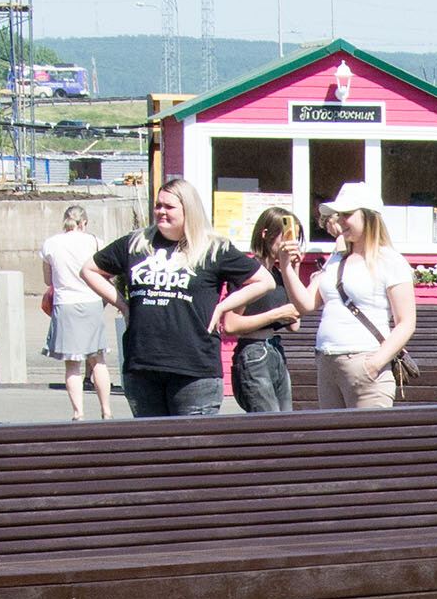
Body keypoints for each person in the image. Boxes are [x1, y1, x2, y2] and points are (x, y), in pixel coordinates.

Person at [80, 177, 272, 418]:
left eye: (169, 207)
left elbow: (264, 281)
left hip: (195, 369)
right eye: (158, 205)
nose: (161, 211)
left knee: (192, 451)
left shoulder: (212, 248)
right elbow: (89, 269)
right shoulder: (137, 243)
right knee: (153, 450)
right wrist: (123, 305)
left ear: (188, 209)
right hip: (143, 366)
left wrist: (223, 306)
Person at [281, 182, 412, 410]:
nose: (339, 221)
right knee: (335, 443)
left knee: (367, 442)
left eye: (347, 215)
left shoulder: (390, 260)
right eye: (338, 215)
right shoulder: (337, 258)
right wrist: (286, 268)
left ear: (369, 216)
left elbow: (406, 322)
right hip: (328, 361)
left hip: (364, 361)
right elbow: (304, 305)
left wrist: (374, 364)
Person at [214, 206, 305, 412]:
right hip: (254, 352)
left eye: (295, 239)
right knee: (269, 426)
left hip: (275, 350)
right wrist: (276, 314)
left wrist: (293, 269)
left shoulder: (278, 273)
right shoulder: (250, 271)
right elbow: (230, 324)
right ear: (266, 234)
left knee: (285, 424)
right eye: (286, 236)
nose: (290, 244)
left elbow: (294, 324)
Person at [40, 204, 115, 421]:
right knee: (98, 360)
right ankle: (106, 410)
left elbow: (48, 280)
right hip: (92, 301)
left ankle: (78, 413)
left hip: (65, 304)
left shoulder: (50, 244)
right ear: (84, 222)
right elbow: (107, 274)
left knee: (72, 364)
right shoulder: (95, 242)